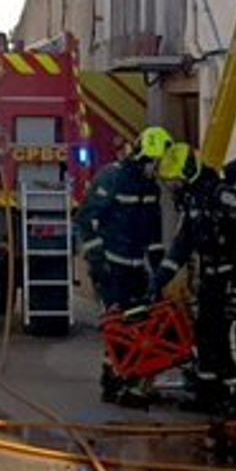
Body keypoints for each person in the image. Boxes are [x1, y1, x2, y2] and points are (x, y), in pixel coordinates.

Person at [154, 144, 236, 417]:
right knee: (205, 335)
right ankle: (209, 394)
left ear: (188, 173)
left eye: (175, 181)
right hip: (210, 278)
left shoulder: (221, 195)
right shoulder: (192, 202)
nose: (173, 187)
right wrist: (159, 279)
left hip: (234, 275)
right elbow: (181, 245)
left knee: (229, 337)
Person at [76, 124, 173, 404]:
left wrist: (159, 274)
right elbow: (86, 219)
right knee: (118, 325)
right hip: (111, 265)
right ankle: (113, 382)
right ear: (146, 157)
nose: (158, 168)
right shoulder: (113, 178)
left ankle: (129, 381)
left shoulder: (150, 187)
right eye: (156, 162)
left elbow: (153, 234)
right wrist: (98, 264)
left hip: (135, 267)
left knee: (139, 324)